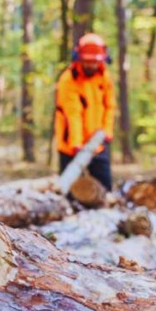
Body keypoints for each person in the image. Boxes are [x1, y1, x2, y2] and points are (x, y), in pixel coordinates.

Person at [54, 33, 115, 192]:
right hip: (71, 145)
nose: (91, 66)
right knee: (69, 192)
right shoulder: (68, 80)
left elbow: (110, 106)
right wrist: (76, 143)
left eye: (94, 62)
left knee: (105, 188)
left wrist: (107, 130)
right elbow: (72, 114)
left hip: (97, 143)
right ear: (78, 57)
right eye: (87, 62)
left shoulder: (104, 77)